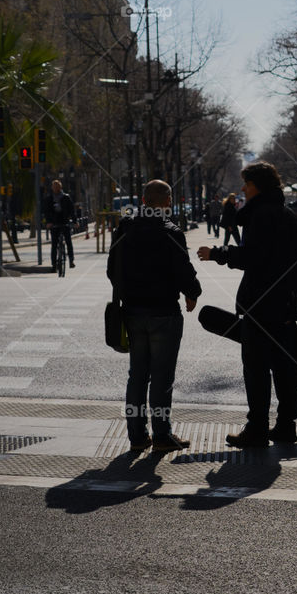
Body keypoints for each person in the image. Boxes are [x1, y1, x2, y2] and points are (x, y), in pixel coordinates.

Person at [198, 161, 297, 448]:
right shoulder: (288, 216)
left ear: (258, 186)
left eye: (247, 184)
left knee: (256, 368)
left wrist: (217, 253)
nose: (243, 189)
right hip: (284, 305)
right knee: (284, 367)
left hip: (260, 304)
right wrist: (294, 305)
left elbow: (251, 257)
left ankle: (257, 428)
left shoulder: (261, 217)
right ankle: (286, 426)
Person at [108, 180, 201, 454]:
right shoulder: (170, 231)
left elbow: (113, 269)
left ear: (143, 200)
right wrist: (192, 292)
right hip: (164, 312)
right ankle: (162, 434)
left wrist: (126, 293)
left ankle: (137, 435)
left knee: (137, 375)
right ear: (167, 201)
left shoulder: (125, 228)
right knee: (162, 376)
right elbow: (183, 269)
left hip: (133, 311)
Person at [44, 179, 75, 270]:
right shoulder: (49, 198)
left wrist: (75, 221)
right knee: (54, 244)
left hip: (64, 222)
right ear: (52, 188)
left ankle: (71, 260)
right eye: (54, 187)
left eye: (57, 187)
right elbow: (47, 211)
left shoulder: (66, 197)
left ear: (60, 187)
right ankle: (54, 264)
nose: (55, 188)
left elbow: (71, 210)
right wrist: (48, 222)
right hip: (54, 223)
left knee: (68, 241)